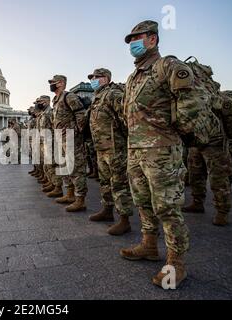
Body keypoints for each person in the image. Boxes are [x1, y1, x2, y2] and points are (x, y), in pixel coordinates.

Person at [120, 20, 192, 289]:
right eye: (130, 41)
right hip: (136, 150)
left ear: (152, 39)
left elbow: (191, 102)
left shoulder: (168, 66)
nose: (132, 44)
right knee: (143, 202)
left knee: (167, 207)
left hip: (161, 150)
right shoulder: (134, 76)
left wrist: (176, 132)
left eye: (136, 38)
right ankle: (149, 245)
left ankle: (176, 262)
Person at [87, 68, 134, 236]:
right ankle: (107, 210)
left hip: (116, 148)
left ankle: (124, 220)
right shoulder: (97, 97)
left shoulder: (113, 94)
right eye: (91, 77)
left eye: (95, 77)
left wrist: (123, 140)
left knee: (119, 184)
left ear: (105, 78)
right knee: (105, 182)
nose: (92, 79)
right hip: (101, 148)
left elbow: (127, 118)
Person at [49, 75, 88, 212]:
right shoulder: (56, 100)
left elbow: (80, 114)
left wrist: (77, 131)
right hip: (61, 138)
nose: (51, 85)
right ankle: (70, 194)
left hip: (71, 138)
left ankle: (80, 199)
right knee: (64, 167)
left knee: (76, 169)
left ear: (60, 83)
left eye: (53, 82)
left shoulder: (69, 96)